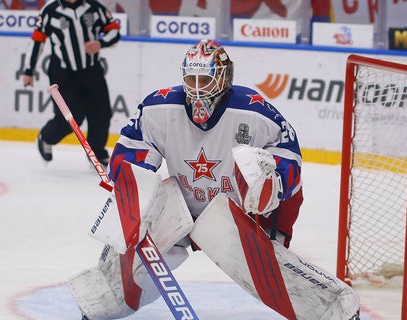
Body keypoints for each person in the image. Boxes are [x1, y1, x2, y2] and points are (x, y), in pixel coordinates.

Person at [70, 39, 312, 320]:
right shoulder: (157, 108)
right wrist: (128, 182)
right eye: (191, 78)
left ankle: (331, 311)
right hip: (181, 205)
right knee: (137, 247)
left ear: (224, 78)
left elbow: (288, 157)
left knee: (271, 270)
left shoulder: (254, 112)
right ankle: (106, 303)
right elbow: (132, 151)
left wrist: (271, 189)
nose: (197, 87)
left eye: (205, 79)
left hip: (235, 211)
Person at [22, 0, 120, 167]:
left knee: (101, 113)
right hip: (62, 73)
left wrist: (101, 43)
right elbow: (37, 40)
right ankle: (46, 137)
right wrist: (29, 70)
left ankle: (96, 152)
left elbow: (114, 31)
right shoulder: (50, 10)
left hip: (91, 69)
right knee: (69, 117)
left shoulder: (95, 7)